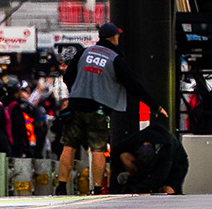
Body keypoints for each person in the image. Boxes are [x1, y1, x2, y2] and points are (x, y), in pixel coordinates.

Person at [56, 23, 162, 195]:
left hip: (76, 106)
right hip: (98, 109)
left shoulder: (84, 53)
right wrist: (155, 106)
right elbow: (133, 84)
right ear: (114, 37)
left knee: (69, 146)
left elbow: (68, 77)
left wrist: (76, 91)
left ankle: (61, 186)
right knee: (98, 149)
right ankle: (98, 188)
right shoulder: (114, 59)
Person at [111, 119, 188, 195]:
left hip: (176, 165)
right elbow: (116, 150)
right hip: (145, 164)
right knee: (124, 156)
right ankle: (136, 178)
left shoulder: (166, 149)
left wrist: (139, 188)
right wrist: (119, 172)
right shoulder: (138, 138)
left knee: (167, 190)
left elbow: (160, 177)